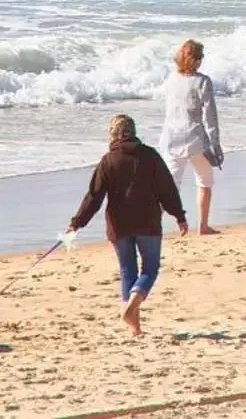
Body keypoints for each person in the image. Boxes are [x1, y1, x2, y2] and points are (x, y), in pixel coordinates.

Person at [67, 113, 188, 337]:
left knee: (127, 271)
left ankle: (134, 326)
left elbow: (94, 196)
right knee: (150, 268)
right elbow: (167, 188)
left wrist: (77, 222)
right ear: (134, 132)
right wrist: (178, 215)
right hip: (148, 221)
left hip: (119, 224)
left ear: (112, 134)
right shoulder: (150, 156)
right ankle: (132, 305)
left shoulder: (108, 161)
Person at [158, 39, 223, 236]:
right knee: (204, 180)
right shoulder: (202, 81)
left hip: (171, 136)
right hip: (194, 137)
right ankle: (202, 225)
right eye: (200, 57)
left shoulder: (170, 79)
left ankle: (153, 225)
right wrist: (215, 143)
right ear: (195, 60)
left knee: (170, 185)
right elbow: (210, 116)